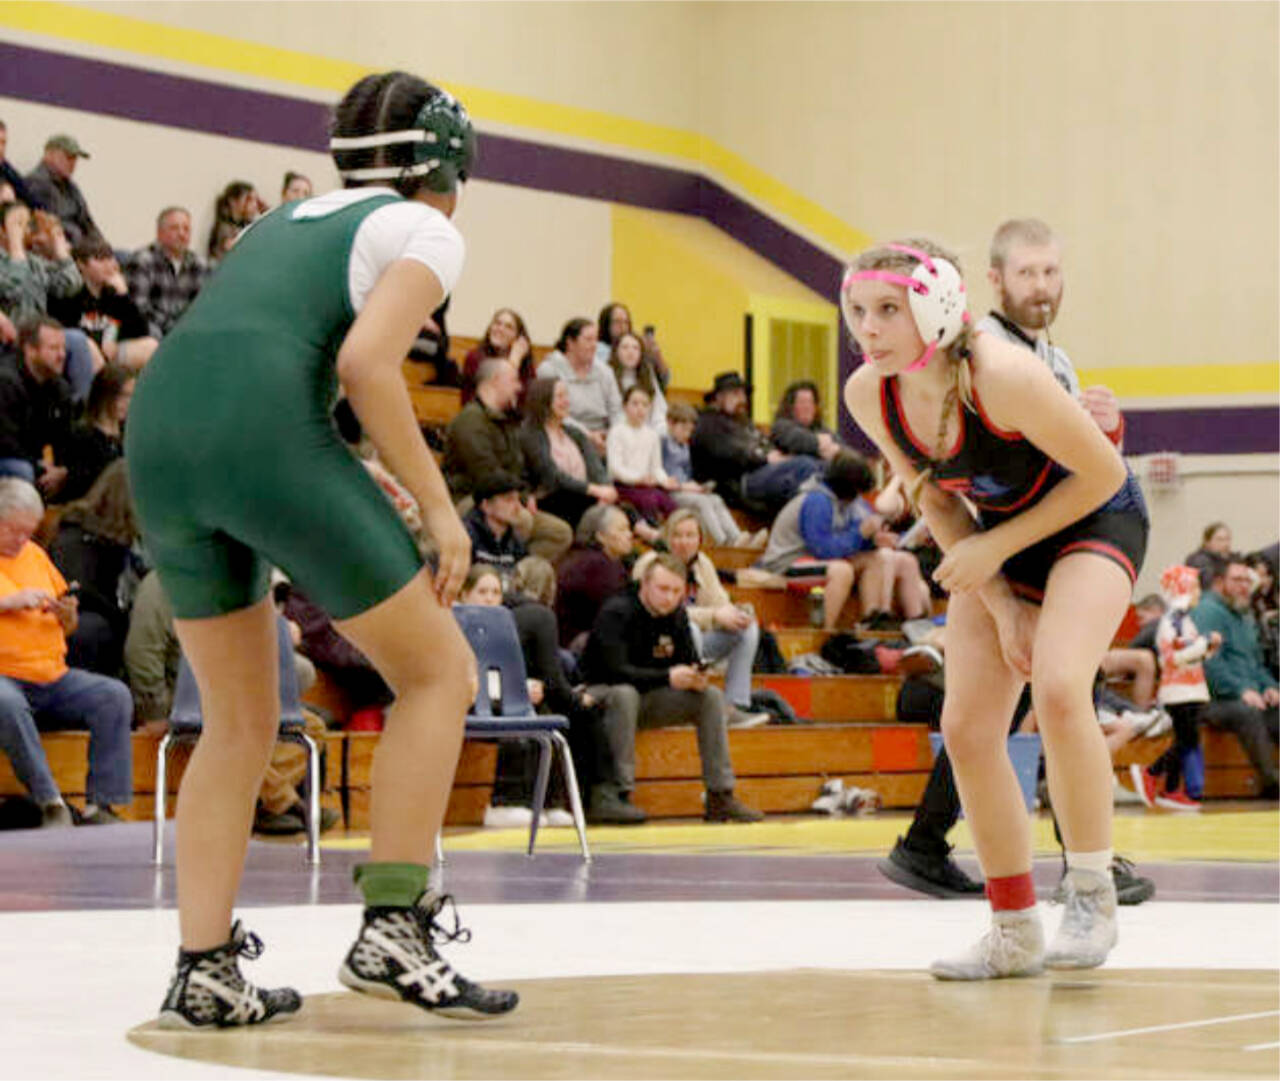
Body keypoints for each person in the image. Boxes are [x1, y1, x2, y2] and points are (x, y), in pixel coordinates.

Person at [125, 71, 517, 1027]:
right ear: (449, 165)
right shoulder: (424, 227)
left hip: (160, 433)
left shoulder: (275, 222)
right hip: (264, 437)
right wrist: (441, 508)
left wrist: (352, 467)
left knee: (238, 720)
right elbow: (363, 364)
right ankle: (394, 925)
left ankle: (203, 967)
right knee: (439, 674)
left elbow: (248, 351)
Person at [842, 238, 1148, 980]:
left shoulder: (1002, 374)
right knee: (968, 727)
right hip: (1001, 539)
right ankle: (1014, 928)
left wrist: (995, 550)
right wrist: (1006, 607)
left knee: (1059, 686)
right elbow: (936, 501)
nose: (869, 329)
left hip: (1094, 520)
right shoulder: (869, 393)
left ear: (938, 305)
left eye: (888, 310)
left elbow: (1104, 474)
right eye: (857, 310)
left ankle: (1091, 894)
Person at [580, 552, 764, 823]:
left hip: (648, 697)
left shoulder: (677, 615)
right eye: (663, 589)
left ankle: (720, 794)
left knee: (710, 697)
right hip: (600, 695)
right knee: (625, 694)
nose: (669, 597)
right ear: (645, 585)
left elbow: (688, 660)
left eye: (676, 591)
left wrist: (695, 676)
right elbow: (613, 671)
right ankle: (614, 793)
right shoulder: (617, 611)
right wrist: (668, 677)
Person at [0, 477, 133, 827]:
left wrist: (67, 615)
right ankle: (50, 801)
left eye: (28, 532)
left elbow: (67, 625)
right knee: (5, 700)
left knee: (113, 695)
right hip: (5, 677)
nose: (22, 540)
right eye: (14, 531)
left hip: (51, 674)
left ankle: (101, 805)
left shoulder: (35, 555)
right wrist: (8, 602)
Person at [977, 218, 1125, 448]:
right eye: (1026, 273)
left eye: (1050, 271)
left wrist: (1107, 431)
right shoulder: (979, 351)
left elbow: (1081, 458)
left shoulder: (1059, 363)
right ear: (996, 280)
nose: (1041, 286)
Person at [758, 451, 929, 630]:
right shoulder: (816, 501)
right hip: (787, 562)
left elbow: (856, 538)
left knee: (880, 558)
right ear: (847, 487)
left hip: (819, 560)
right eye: (857, 491)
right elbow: (823, 550)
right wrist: (860, 534)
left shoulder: (851, 502)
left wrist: (874, 540)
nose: (859, 496)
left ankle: (872, 621)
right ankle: (825, 631)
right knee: (841, 570)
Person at [634, 511, 771, 728]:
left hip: (694, 641)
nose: (683, 542)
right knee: (691, 630)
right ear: (666, 537)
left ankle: (733, 707)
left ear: (699, 540)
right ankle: (688, 707)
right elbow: (662, 613)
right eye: (677, 535)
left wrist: (736, 614)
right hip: (656, 644)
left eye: (690, 536)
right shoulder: (651, 563)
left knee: (747, 629)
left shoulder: (702, 563)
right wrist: (713, 615)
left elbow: (720, 602)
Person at [443, 357, 572, 562]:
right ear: (495, 380)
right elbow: (486, 475)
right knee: (523, 520)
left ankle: (519, 570)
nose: (519, 387)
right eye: (513, 380)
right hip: (472, 499)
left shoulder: (506, 421)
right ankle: (496, 566)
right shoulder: (470, 421)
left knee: (559, 533)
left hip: (506, 497)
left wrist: (525, 495)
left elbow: (517, 468)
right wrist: (520, 497)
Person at [1130, 564, 1219, 812]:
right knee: (1186, 739)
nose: (1198, 593)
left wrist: (1207, 649)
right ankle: (1152, 771)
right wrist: (1204, 643)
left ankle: (1170, 789)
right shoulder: (1172, 621)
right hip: (1179, 691)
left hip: (1191, 688)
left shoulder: (1184, 620)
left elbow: (1190, 653)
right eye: (1195, 587)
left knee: (1186, 739)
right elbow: (1173, 656)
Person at [1194, 556, 1280, 799]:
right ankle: (1271, 785)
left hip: (1246, 696)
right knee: (1247, 713)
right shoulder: (1207, 611)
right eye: (1237, 580)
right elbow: (1209, 664)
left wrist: (1270, 687)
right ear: (1220, 582)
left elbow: (1256, 664)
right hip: (1210, 700)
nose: (1244, 586)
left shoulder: (1243, 614)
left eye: (1247, 580)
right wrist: (1241, 690)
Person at [690, 371, 823, 516]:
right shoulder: (709, 423)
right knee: (804, 466)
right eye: (735, 394)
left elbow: (762, 443)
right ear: (719, 397)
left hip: (759, 473)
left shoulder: (742, 421)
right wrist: (765, 458)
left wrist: (778, 455)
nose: (742, 399)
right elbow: (729, 453)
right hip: (739, 482)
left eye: (743, 394)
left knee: (815, 471)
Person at [519, 376, 618, 531]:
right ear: (544, 400)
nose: (566, 401)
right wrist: (594, 490)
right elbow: (551, 475)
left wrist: (606, 489)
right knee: (602, 512)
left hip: (582, 496)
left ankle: (649, 535)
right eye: (559, 396)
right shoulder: (531, 434)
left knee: (621, 507)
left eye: (566, 395)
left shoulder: (575, 433)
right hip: (553, 497)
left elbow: (596, 467)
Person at [53, 237, 158, 372]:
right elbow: (70, 335)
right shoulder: (71, 296)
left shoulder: (115, 296)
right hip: (85, 355)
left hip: (111, 354)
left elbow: (140, 332)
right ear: (81, 264)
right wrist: (101, 343)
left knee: (151, 345)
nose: (108, 265)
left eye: (110, 259)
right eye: (100, 260)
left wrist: (123, 296)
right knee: (90, 349)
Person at [661, 402, 758, 547]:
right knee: (703, 502)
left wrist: (698, 487)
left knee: (715, 499)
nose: (687, 434)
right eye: (683, 429)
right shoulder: (663, 444)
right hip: (672, 492)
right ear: (670, 424)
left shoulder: (685, 447)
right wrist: (682, 486)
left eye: (690, 431)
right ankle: (722, 540)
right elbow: (662, 475)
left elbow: (687, 474)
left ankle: (737, 537)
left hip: (686, 489)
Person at [0, 316, 75, 493]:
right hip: (7, 458)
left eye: (63, 348)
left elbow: (67, 438)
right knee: (23, 471)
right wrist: (39, 468)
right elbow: (6, 443)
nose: (62, 355)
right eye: (54, 348)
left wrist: (63, 470)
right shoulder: (5, 382)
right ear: (30, 350)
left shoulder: (59, 388)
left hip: (32, 460)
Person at [535, 317, 621, 454]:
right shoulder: (550, 369)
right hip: (565, 434)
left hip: (604, 436)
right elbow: (554, 413)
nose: (594, 345)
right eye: (588, 340)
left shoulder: (605, 371)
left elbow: (616, 410)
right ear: (570, 343)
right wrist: (588, 435)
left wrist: (614, 436)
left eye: (595, 340)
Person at [52, 363, 134, 505]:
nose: (130, 402)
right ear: (106, 395)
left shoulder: (128, 434)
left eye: (133, 395)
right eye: (124, 395)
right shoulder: (82, 436)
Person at [555, 504, 633, 651]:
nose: (630, 535)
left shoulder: (590, 558)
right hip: (577, 645)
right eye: (622, 529)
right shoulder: (596, 566)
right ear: (600, 536)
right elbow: (619, 611)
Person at [125, 207, 208, 340]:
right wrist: (173, 329)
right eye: (175, 228)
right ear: (159, 233)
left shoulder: (199, 264)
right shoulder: (143, 260)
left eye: (186, 229)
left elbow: (203, 306)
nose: (182, 234)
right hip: (153, 332)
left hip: (188, 333)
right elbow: (138, 308)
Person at [606, 385, 677, 525]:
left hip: (646, 486)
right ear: (625, 407)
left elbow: (656, 467)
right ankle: (651, 532)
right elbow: (615, 468)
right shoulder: (617, 432)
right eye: (635, 404)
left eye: (645, 405)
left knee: (670, 504)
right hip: (623, 485)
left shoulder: (652, 435)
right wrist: (638, 478)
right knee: (648, 501)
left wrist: (665, 480)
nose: (640, 409)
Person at [23, 135, 99, 246]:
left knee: (122, 254)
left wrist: (101, 244)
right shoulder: (36, 184)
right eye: (68, 157)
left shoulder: (71, 187)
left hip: (82, 246)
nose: (73, 163)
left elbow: (87, 223)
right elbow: (49, 225)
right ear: (49, 155)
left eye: (75, 159)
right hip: (60, 247)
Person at [462, 471, 528, 587]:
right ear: (486, 505)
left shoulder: (516, 542)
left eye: (518, 500)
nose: (518, 507)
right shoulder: (466, 536)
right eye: (509, 500)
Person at [461, 308, 535, 404]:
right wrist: (514, 361)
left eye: (508, 327)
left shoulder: (525, 365)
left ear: (518, 337)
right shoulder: (474, 358)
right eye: (497, 323)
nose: (500, 329)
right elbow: (496, 397)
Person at [596, 302, 671, 387]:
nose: (623, 326)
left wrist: (657, 356)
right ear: (606, 324)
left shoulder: (636, 347)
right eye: (617, 322)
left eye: (626, 322)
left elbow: (665, 380)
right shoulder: (599, 349)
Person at [608, 331, 667, 433]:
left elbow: (659, 410)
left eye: (635, 348)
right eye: (625, 347)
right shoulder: (608, 375)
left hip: (648, 432)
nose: (630, 352)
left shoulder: (647, 374)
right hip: (620, 432)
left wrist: (660, 431)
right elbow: (614, 414)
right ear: (616, 352)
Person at [771, 380, 842, 461]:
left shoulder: (821, 428)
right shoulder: (781, 426)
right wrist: (820, 442)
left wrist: (836, 450)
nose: (807, 407)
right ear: (791, 406)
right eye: (802, 402)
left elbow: (842, 448)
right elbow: (797, 440)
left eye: (811, 402)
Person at [1186, 521, 1234, 590]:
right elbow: (1209, 584)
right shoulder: (1199, 560)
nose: (1226, 544)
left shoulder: (1231, 558)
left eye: (1228, 539)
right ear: (1207, 542)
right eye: (1220, 540)